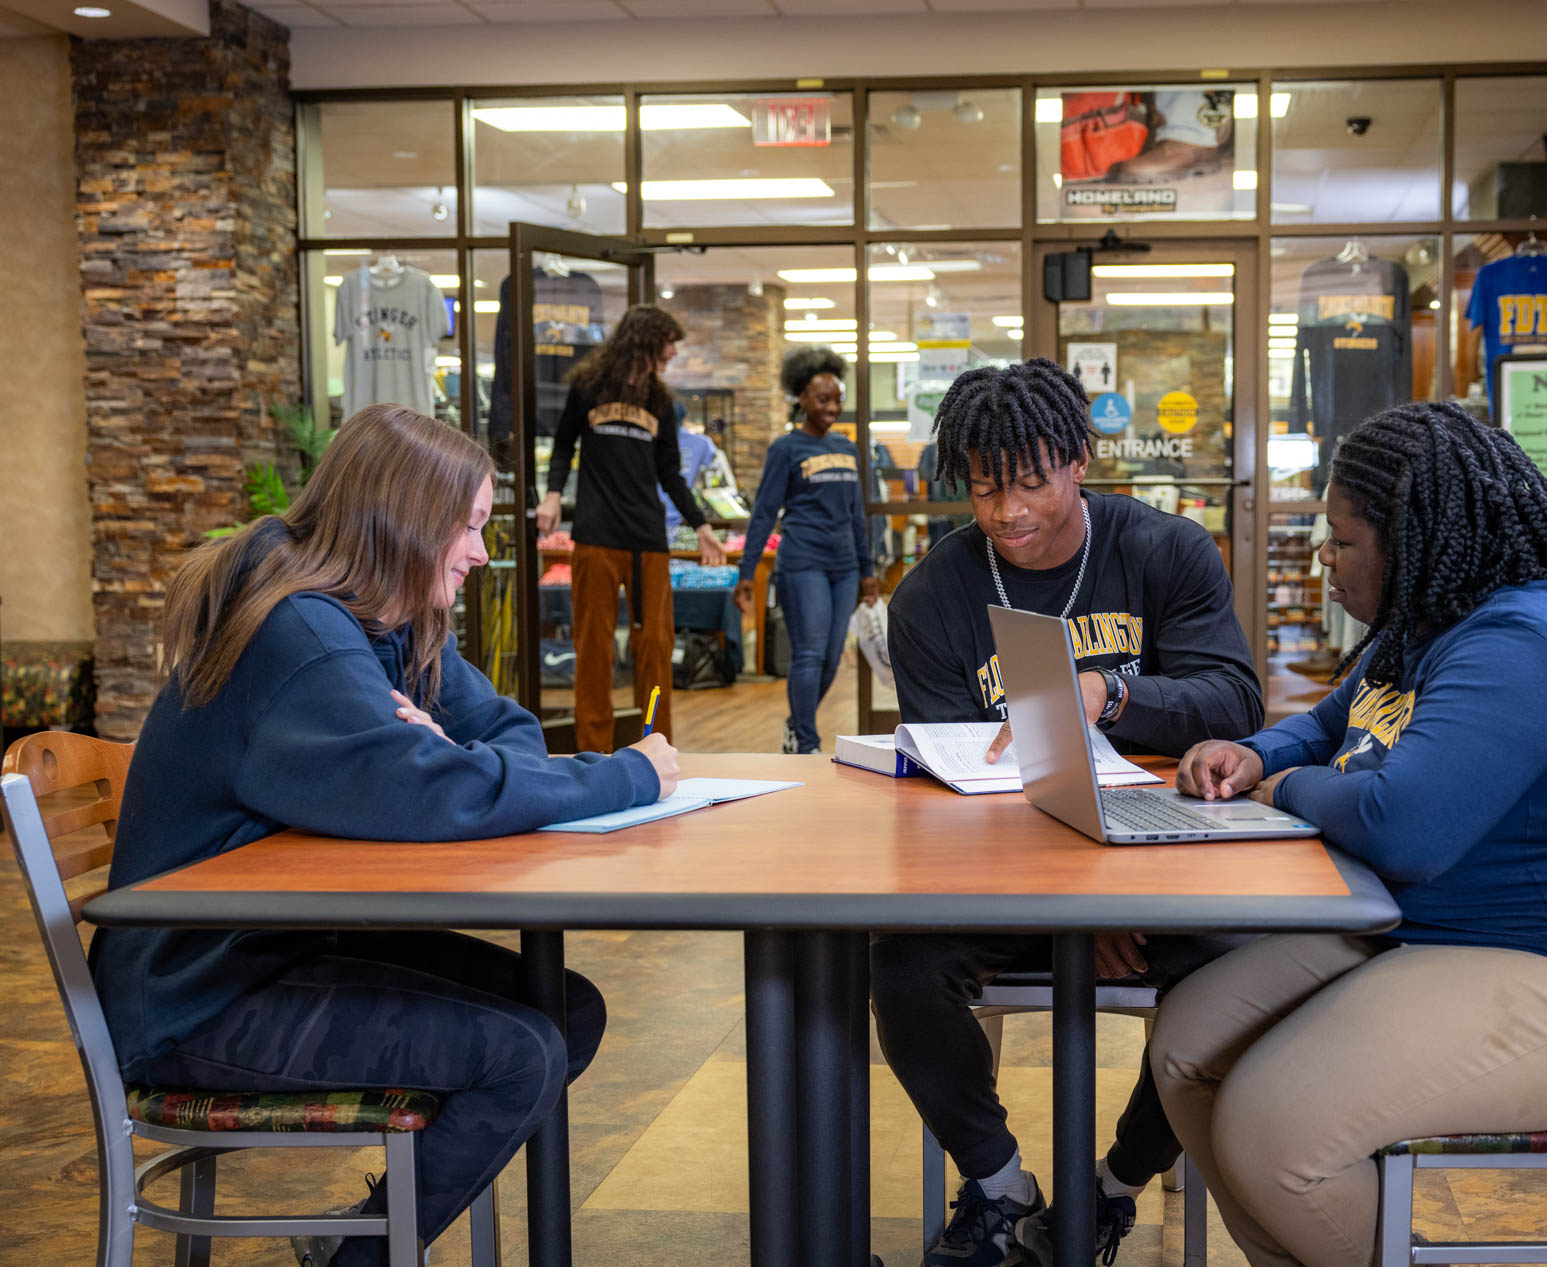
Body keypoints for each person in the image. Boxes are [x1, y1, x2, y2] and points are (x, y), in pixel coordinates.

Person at [90, 404, 680, 1267]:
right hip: (194, 996)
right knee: (521, 1055)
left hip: (270, 950)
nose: (481, 552)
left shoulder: (380, 617)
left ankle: (355, 1232)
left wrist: (449, 758)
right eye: (470, 527)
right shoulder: (299, 636)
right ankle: (354, 1254)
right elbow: (427, 795)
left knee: (564, 1011)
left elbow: (505, 730)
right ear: (406, 519)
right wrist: (628, 771)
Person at [1152, 401, 1547, 1267]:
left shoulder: (1521, 644)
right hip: (1461, 934)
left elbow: (1403, 826)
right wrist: (1249, 751)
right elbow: (1325, 728)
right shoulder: (1423, 629)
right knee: (1188, 1043)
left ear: (1412, 541)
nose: (1325, 555)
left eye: (1343, 540)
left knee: (1274, 1125)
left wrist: (1284, 786)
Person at [878, 357, 1263, 1267]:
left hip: (1157, 873)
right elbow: (958, 789)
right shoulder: (932, 598)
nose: (1008, 510)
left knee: (1239, 969)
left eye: (1029, 481)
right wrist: (1065, 914)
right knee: (900, 965)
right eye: (981, 487)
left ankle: (1112, 1189)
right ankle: (1002, 1187)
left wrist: (1112, 693)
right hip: (1014, 881)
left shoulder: (1164, 550)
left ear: (1080, 458)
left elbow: (1235, 700)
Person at [536, 305, 725, 753]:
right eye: (668, 342)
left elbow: (671, 474)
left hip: (648, 542)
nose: (673, 351)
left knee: (654, 651)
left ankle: (657, 747)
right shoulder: (587, 387)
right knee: (595, 650)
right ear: (645, 340)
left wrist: (701, 525)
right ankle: (592, 753)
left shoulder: (661, 401)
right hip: (596, 537)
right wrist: (551, 494)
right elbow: (563, 446)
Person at [734, 347, 879, 754]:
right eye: (823, 399)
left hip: (845, 567)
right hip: (803, 563)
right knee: (810, 653)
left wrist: (868, 569)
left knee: (832, 659)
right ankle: (806, 741)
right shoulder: (787, 449)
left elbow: (857, 514)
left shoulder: (847, 449)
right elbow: (764, 514)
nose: (832, 406)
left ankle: (796, 724)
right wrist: (747, 573)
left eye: (837, 399)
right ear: (802, 399)